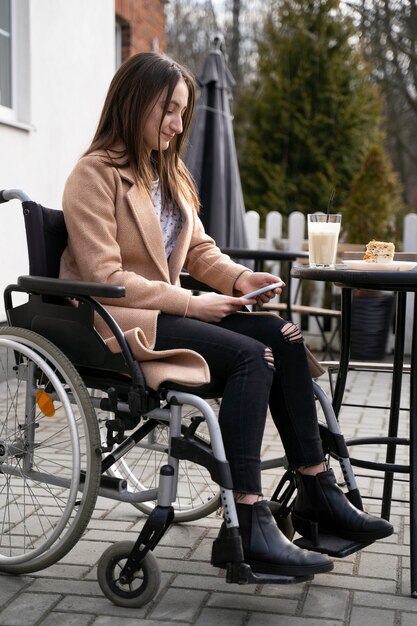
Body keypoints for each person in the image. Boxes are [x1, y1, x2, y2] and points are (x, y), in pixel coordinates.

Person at [60, 51, 393, 578]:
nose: (176, 123)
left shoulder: (167, 175)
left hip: (169, 310)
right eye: (168, 109)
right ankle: (249, 520)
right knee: (250, 356)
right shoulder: (95, 176)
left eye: (183, 113)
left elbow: (198, 253)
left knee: (282, 335)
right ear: (133, 101)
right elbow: (109, 279)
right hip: (128, 323)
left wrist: (239, 279)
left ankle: (315, 489)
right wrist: (195, 302)